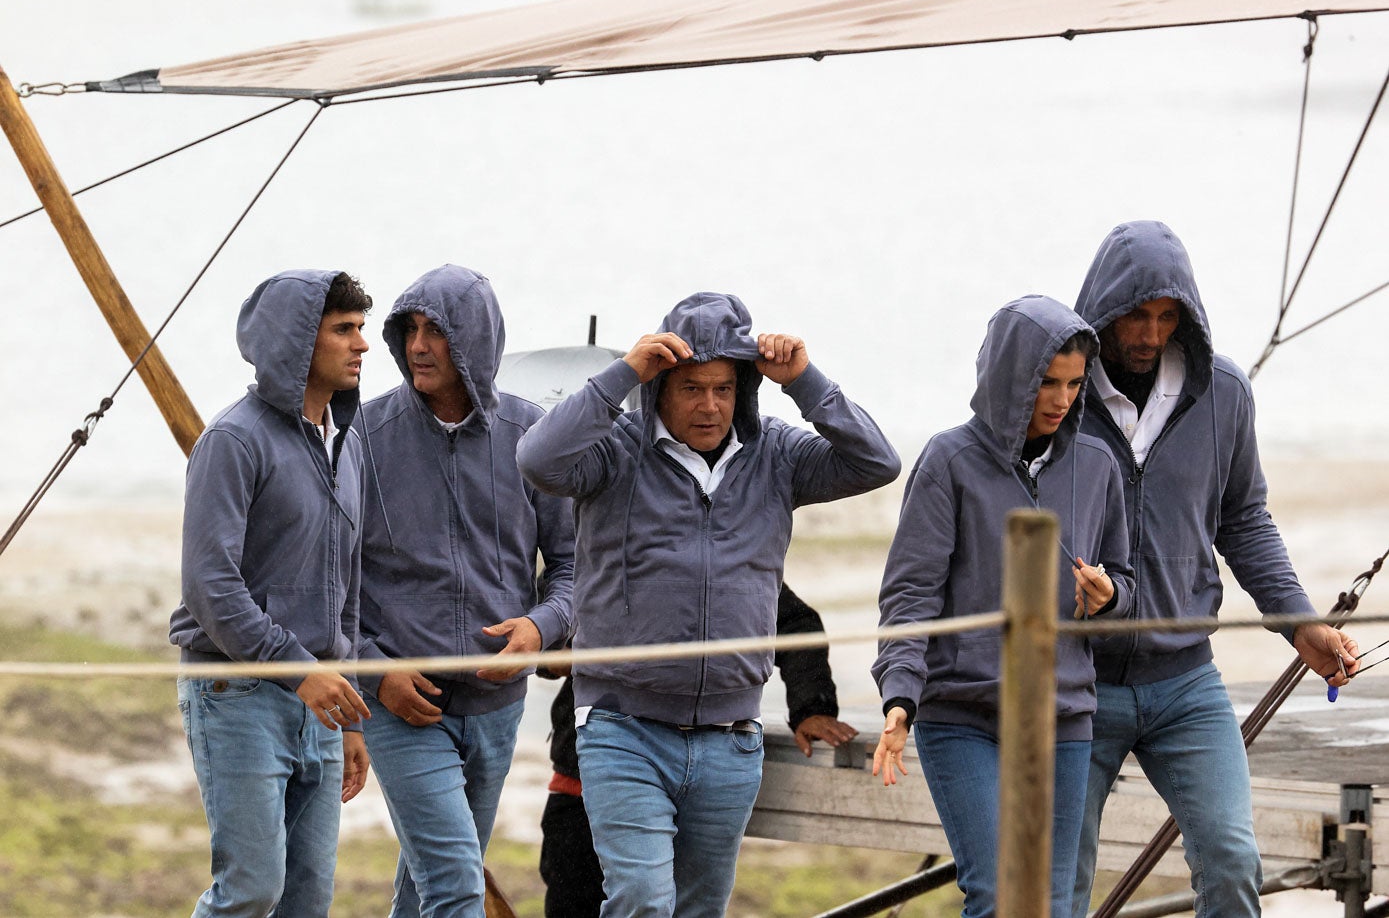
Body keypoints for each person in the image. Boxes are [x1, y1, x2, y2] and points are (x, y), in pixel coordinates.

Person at [517, 291, 900, 917]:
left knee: (700, 909)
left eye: (724, 388)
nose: (710, 405)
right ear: (662, 385)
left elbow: (877, 462)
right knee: (641, 900)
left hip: (731, 738)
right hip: (621, 727)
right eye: (692, 387)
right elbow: (537, 458)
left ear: (744, 387)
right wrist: (623, 374)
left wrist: (804, 381)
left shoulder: (777, 453)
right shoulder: (614, 452)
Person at [1068, 220, 1360, 918]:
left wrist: (1299, 626)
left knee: (1232, 862)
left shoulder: (1222, 392)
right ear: (1103, 309)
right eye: (1135, 315)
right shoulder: (1058, 392)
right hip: (1075, 682)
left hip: (1184, 682)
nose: (1148, 333)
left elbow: (1243, 520)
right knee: (1056, 888)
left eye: (1166, 317)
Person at [871, 294, 1134, 918]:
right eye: (1046, 381)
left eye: (1073, 383)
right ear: (1006, 377)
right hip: (962, 713)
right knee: (996, 896)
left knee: (1055, 905)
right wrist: (900, 697)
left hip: (1062, 716)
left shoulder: (1098, 463)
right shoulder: (949, 459)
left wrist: (1112, 596)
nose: (1061, 399)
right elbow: (911, 593)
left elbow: (1126, 580)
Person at [357, 264, 575, 918]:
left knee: (427, 884)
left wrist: (542, 626)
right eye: (409, 331)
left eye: (437, 332)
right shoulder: (361, 439)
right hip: (401, 702)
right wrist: (374, 671)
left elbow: (571, 568)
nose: (419, 346)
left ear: (475, 339)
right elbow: (329, 580)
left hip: (497, 705)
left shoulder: (533, 438)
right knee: (456, 887)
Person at [170, 269, 374, 917]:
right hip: (237, 692)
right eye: (343, 329)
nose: (361, 345)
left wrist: (343, 701)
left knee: (307, 900)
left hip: (317, 701)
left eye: (361, 328)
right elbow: (210, 586)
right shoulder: (232, 440)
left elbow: (346, 583)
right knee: (251, 891)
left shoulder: (345, 446)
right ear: (295, 342)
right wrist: (300, 671)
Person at [538, 583, 859, 918]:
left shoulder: (725, 557)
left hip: (701, 773)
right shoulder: (589, 541)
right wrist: (559, 653)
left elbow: (795, 624)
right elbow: (535, 624)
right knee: (582, 902)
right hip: (585, 775)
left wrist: (811, 707)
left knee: (688, 905)